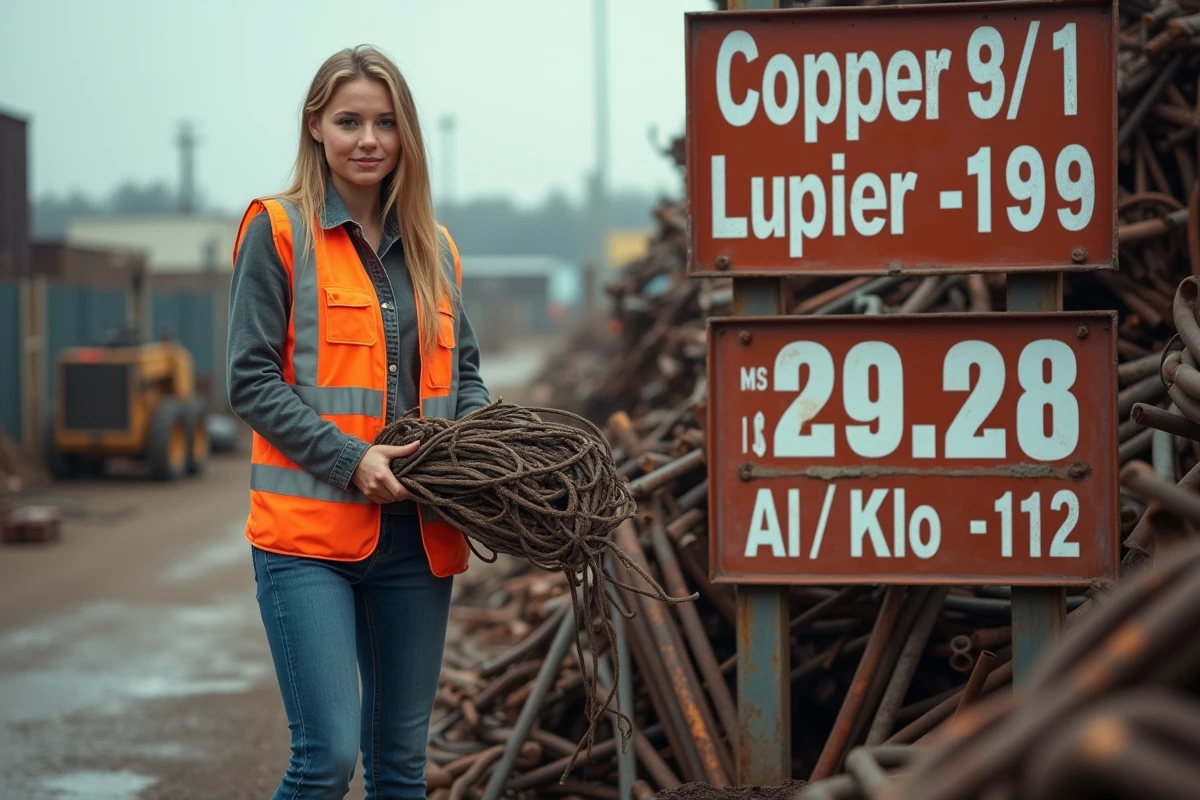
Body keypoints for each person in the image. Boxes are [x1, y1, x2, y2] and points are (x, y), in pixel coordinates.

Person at [226, 44, 490, 799]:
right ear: (315, 127)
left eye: (384, 122)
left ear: (405, 134)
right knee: (327, 760)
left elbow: (462, 374)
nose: (367, 139)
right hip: (308, 540)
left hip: (419, 539)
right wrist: (351, 459)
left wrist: (478, 447)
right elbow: (248, 379)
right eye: (348, 121)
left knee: (402, 770)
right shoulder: (278, 232)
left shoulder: (437, 249)